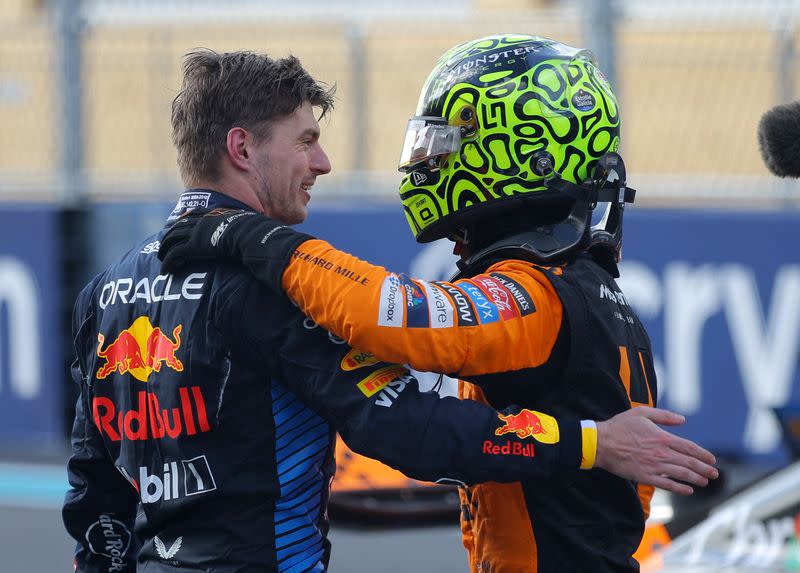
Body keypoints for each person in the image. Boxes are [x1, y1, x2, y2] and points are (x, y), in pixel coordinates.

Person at [62, 48, 716, 573]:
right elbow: (404, 426)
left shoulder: (108, 288)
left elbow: (94, 488)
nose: (322, 161)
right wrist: (592, 443)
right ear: (241, 148)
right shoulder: (277, 289)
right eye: (306, 140)